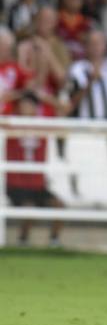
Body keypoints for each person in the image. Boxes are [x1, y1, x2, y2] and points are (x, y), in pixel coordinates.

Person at [5, 92, 63, 248]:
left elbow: (64, 110)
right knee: (29, 208)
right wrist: (17, 95)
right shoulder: (11, 123)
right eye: (24, 104)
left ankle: (54, 241)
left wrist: (43, 96)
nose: (26, 107)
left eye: (30, 104)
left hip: (37, 185)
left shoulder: (42, 125)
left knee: (59, 205)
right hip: (16, 184)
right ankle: (23, 240)